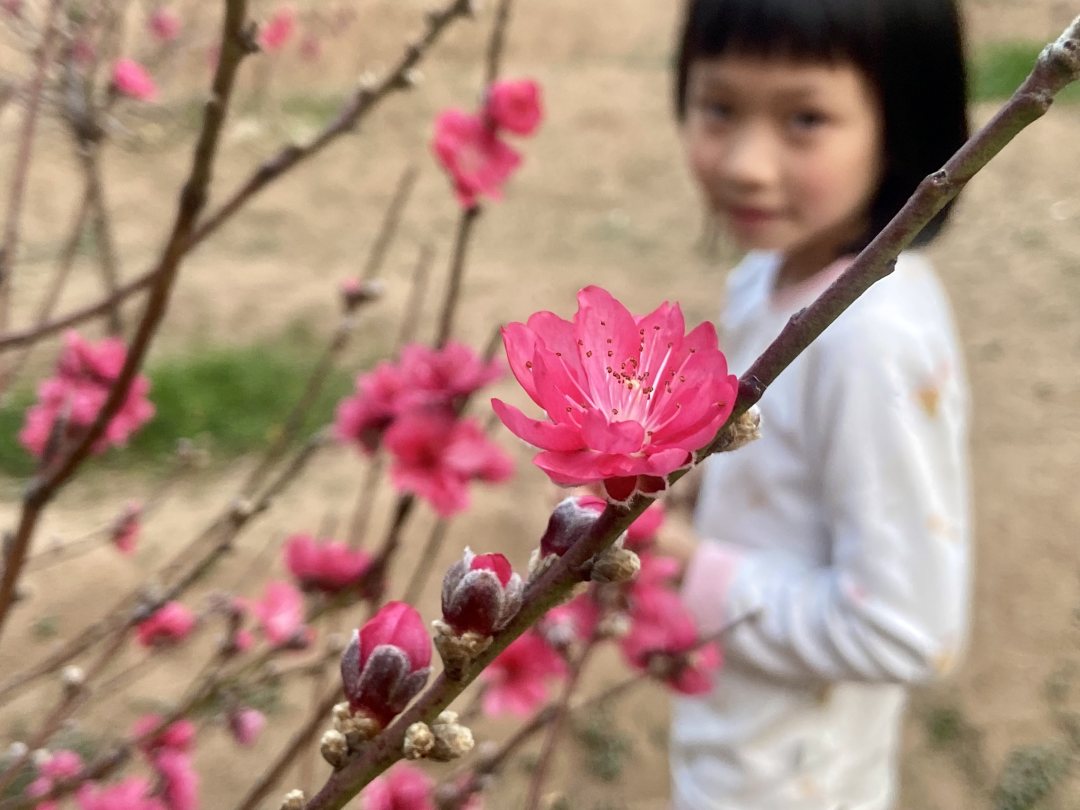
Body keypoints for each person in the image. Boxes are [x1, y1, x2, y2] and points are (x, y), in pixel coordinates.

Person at [655, 0, 973, 808]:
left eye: (804, 118)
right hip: (731, 739)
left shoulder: (871, 342)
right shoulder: (764, 275)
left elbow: (907, 631)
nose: (746, 164)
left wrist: (695, 571)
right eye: (718, 106)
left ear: (902, 124)